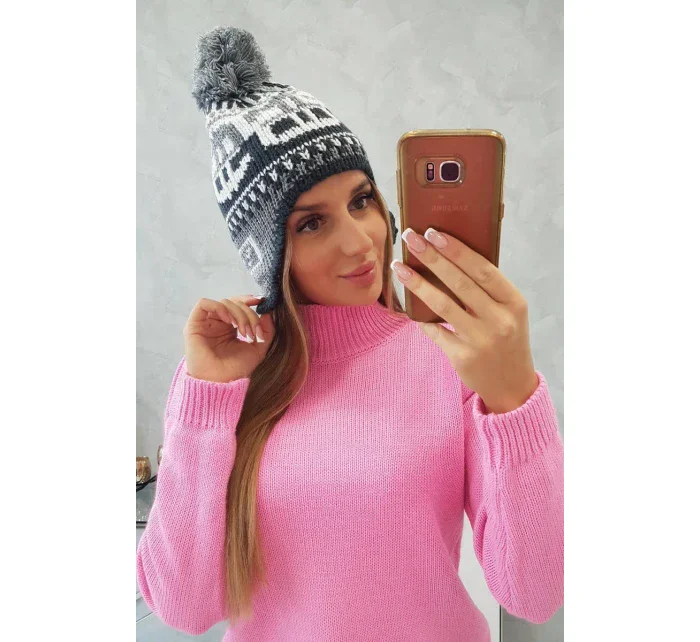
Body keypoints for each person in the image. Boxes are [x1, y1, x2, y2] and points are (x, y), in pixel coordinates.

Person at [136, 26, 564, 642]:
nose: (360, 241)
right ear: (267, 253)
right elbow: (184, 608)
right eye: (311, 224)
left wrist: (516, 396)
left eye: (361, 201)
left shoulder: (451, 355)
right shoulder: (228, 374)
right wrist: (206, 397)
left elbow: (535, 594)